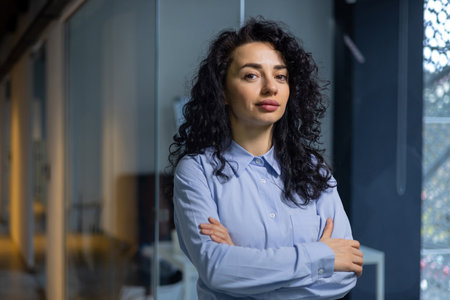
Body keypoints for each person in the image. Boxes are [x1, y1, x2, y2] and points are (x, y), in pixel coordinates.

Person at [169, 18, 363, 299]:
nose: (271, 87)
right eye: (252, 75)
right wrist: (322, 256)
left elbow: (346, 273)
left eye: (280, 76)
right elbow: (217, 269)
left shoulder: (313, 169)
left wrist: (242, 263)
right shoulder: (196, 171)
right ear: (222, 91)